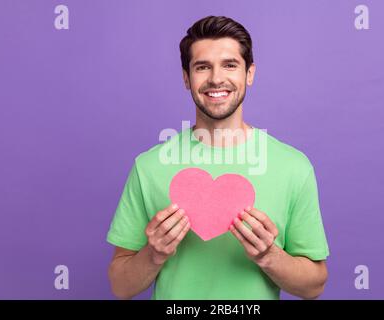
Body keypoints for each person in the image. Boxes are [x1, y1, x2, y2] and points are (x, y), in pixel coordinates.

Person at [106, 16, 329, 300]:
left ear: (250, 73)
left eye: (230, 65)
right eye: (202, 67)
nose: (216, 78)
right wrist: (154, 254)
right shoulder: (148, 167)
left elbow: (315, 286)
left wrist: (269, 255)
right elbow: (120, 286)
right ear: (187, 78)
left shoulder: (293, 167)